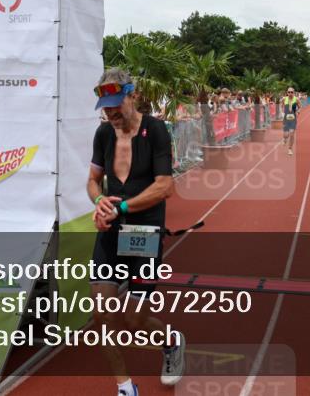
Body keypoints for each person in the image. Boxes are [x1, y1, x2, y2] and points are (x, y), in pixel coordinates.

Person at [86, 68, 185, 396]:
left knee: (133, 322)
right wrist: (99, 201)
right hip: (111, 234)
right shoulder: (103, 134)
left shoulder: (156, 130)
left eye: (116, 103)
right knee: (102, 314)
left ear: (133, 95)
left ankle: (170, 342)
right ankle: (125, 387)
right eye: (105, 105)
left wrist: (123, 208)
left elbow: (165, 187)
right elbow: (92, 180)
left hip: (144, 233)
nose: (110, 111)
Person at [282, 87, 299, 156]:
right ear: (287, 93)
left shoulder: (296, 99)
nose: (290, 93)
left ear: (294, 93)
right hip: (286, 119)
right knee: (286, 135)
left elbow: (300, 106)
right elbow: (281, 106)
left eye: (292, 92)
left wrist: (298, 111)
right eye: (289, 92)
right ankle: (285, 139)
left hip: (293, 119)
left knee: (292, 134)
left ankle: (290, 149)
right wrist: (282, 113)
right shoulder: (284, 99)